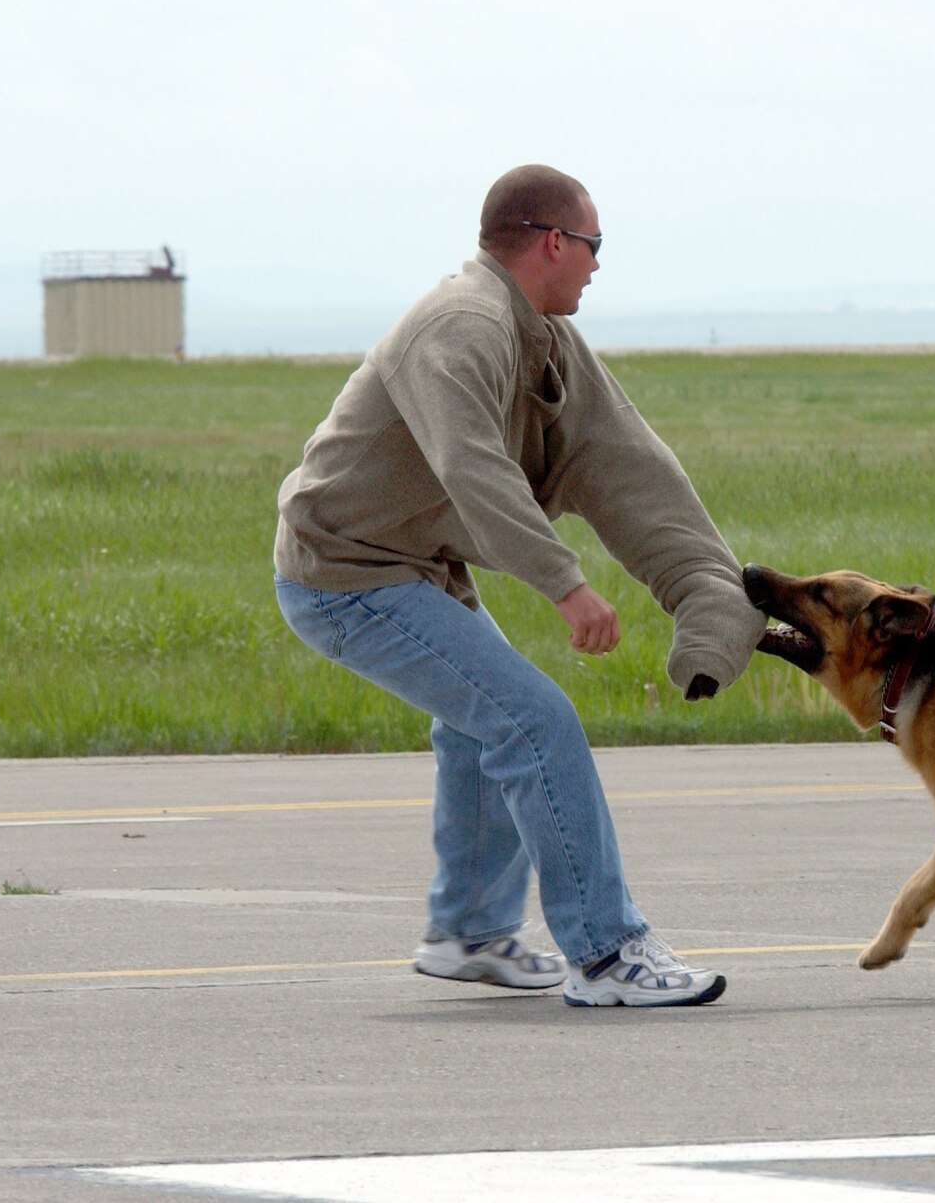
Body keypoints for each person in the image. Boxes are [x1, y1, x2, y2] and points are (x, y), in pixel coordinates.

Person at [273, 165, 765, 1007]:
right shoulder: (460, 327)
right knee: (535, 720)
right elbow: (473, 468)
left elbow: (628, 465)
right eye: (594, 245)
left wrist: (708, 594)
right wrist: (566, 585)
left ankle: (468, 932)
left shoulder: (542, 336)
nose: (599, 265)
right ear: (552, 242)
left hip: (409, 564)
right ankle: (608, 953)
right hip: (343, 573)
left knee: (480, 724)